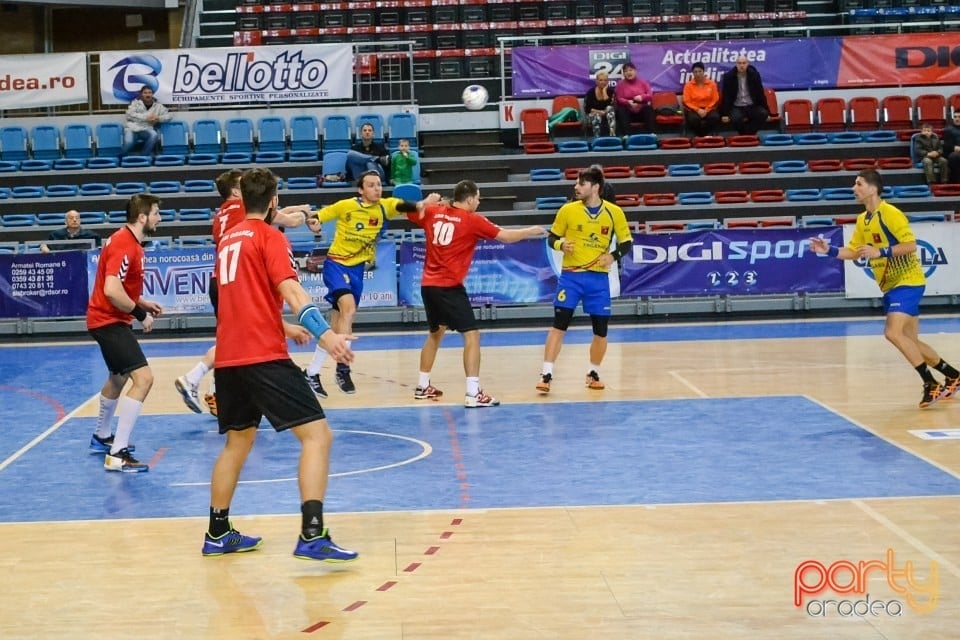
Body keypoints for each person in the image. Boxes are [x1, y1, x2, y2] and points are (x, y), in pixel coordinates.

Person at [202, 167, 358, 561]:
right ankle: (312, 534)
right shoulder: (269, 237)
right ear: (273, 202)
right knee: (318, 437)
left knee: (237, 442)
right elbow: (291, 289)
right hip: (262, 356)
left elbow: (239, 301)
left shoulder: (226, 242)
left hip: (230, 356)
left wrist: (284, 328)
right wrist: (328, 337)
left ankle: (217, 532)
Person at [810, 169, 960, 409]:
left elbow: (910, 245)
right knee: (909, 341)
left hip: (908, 280)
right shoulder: (863, 220)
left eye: (858, 183)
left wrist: (881, 252)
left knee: (892, 333)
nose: (853, 188)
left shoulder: (890, 213)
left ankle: (930, 383)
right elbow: (854, 252)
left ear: (872, 188)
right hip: (890, 285)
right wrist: (828, 251)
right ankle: (952, 374)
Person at [175, 169, 313, 416]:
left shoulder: (220, 215)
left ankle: (216, 391)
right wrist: (307, 214)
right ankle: (193, 378)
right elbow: (286, 220)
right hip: (239, 277)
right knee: (237, 338)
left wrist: (300, 207)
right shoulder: (243, 209)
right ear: (237, 192)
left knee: (233, 338)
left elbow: (273, 212)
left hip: (221, 277)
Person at [407, 180, 546, 407]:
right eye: (478, 198)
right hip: (449, 286)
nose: (479, 202)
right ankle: (473, 393)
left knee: (435, 333)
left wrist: (427, 201)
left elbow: (408, 211)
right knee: (472, 336)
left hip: (428, 285)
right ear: (469, 199)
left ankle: (423, 386)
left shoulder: (434, 211)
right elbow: (505, 237)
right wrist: (530, 231)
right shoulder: (472, 220)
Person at [303, 171, 434, 396]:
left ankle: (311, 372)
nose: (377, 188)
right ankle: (343, 369)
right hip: (336, 264)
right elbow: (319, 217)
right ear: (361, 190)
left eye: (379, 185)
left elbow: (408, 205)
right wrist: (314, 223)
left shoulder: (386, 207)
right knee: (349, 308)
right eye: (371, 185)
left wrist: (425, 203)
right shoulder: (346, 206)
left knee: (335, 330)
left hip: (357, 269)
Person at [537, 166, 633, 394]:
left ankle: (593, 373)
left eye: (581, 183)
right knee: (559, 326)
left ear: (595, 187)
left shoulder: (614, 212)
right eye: (577, 183)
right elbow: (552, 239)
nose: (576, 187)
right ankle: (546, 374)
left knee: (601, 331)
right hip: (571, 277)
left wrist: (612, 256)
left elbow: (626, 242)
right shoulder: (567, 210)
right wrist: (562, 245)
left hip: (598, 280)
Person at [86, 194, 163, 472]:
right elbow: (111, 290)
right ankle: (117, 453)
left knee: (118, 377)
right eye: (156, 213)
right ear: (142, 217)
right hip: (108, 321)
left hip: (108, 318)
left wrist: (141, 302)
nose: (159, 219)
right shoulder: (123, 244)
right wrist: (140, 314)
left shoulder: (129, 243)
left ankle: (102, 437)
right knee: (143, 379)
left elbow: (119, 287)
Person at [719, 56, 769, 135]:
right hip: (736, 106)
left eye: (744, 63)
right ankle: (746, 135)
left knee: (763, 114)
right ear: (736, 64)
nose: (741, 65)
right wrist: (724, 114)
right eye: (739, 63)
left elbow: (760, 93)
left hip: (751, 105)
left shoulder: (754, 75)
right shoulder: (729, 77)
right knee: (735, 118)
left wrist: (767, 111)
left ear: (748, 64)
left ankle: (747, 134)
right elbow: (726, 96)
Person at [120, 86, 171, 156]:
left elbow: (169, 116)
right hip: (132, 129)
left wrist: (158, 118)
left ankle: (144, 156)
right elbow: (129, 114)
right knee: (129, 142)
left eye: (150, 93)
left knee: (154, 135)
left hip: (146, 129)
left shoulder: (158, 106)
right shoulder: (135, 103)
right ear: (141, 94)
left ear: (152, 94)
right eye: (145, 93)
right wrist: (146, 118)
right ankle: (121, 157)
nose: (148, 95)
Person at [614, 62, 655, 135]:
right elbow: (619, 98)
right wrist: (628, 102)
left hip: (641, 111)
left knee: (648, 108)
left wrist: (642, 97)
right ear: (623, 74)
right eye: (626, 71)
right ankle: (626, 135)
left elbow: (650, 95)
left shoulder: (643, 82)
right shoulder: (620, 84)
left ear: (635, 71)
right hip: (628, 111)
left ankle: (651, 134)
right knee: (621, 110)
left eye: (630, 70)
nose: (628, 73)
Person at [682, 62, 721, 137]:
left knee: (714, 117)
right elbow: (686, 101)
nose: (698, 73)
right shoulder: (688, 85)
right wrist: (698, 110)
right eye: (695, 72)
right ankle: (701, 136)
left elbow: (715, 99)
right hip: (694, 110)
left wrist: (706, 110)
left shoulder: (712, 84)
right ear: (693, 73)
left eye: (700, 71)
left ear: (703, 72)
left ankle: (707, 135)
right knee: (693, 119)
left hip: (709, 108)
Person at [584, 71, 618, 138]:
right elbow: (587, 109)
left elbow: (612, 106)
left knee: (609, 108)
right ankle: (597, 138)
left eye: (605, 80)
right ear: (596, 81)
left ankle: (612, 135)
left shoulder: (611, 92)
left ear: (608, 82)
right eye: (600, 80)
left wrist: (604, 91)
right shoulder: (590, 92)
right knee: (597, 116)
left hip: (607, 114)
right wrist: (599, 112)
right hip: (593, 115)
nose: (603, 82)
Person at [942, 110, 960, 184]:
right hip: (953, 152)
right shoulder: (948, 129)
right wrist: (954, 148)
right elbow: (946, 145)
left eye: (959, 117)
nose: (957, 119)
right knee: (954, 156)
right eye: (955, 117)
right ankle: (957, 182)